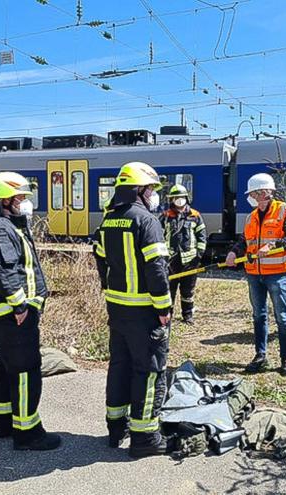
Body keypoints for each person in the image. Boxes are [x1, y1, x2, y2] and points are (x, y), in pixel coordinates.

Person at [94, 161, 172, 458]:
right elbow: (156, 268)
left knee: (119, 366)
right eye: (151, 188)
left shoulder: (109, 219)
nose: (154, 194)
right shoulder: (147, 221)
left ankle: (116, 428)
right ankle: (145, 438)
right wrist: (163, 305)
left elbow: (100, 259)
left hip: (117, 308)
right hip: (144, 310)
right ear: (139, 189)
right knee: (149, 371)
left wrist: (110, 290)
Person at [0, 172, 60, 450]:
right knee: (26, 370)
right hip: (14, 314)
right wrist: (19, 304)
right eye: (21, 197)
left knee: (5, 366)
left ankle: (4, 423)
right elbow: (4, 269)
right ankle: (28, 433)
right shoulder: (1, 228)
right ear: (5, 200)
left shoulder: (4, 225)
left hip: (6, 314)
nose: (25, 203)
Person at [225, 173, 286, 377]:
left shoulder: (285, 211)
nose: (252, 197)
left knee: (282, 317)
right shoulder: (251, 216)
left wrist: (274, 244)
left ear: (265, 192)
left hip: (277, 274)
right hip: (254, 274)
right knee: (259, 316)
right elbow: (244, 240)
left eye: (254, 193)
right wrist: (233, 252)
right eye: (252, 194)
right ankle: (260, 355)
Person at [159, 184, 207, 325]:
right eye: (176, 197)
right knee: (169, 290)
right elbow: (159, 237)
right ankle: (169, 315)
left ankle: (188, 315)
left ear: (186, 198)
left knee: (188, 291)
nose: (179, 200)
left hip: (190, 261)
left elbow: (202, 237)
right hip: (170, 261)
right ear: (172, 199)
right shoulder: (165, 217)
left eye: (181, 197)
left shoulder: (195, 215)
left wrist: (198, 256)